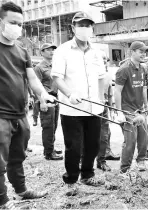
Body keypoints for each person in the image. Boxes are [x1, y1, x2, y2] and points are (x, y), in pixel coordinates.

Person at [0, 2, 55, 209]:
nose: (17, 27)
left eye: (20, 24)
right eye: (13, 22)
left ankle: (21, 191)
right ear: (0, 21)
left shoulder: (21, 49)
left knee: (17, 157)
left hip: (20, 114)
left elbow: (32, 79)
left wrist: (43, 94)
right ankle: (2, 202)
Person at [51, 12, 106, 196]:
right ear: (73, 28)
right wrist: (69, 93)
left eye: (88, 25)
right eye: (80, 25)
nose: (85, 28)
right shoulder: (63, 50)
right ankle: (71, 179)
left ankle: (87, 175)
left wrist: (104, 98)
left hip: (94, 108)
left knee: (93, 145)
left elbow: (101, 77)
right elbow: (57, 77)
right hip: (72, 108)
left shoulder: (97, 52)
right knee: (73, 146)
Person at [114, 41, 148, 173]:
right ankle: (124, 169)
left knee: (143, 137)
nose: (143, 54)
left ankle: (141, 161)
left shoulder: (143, 68)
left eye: (145, 51)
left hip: (140, 109)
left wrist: (146, 107)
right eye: (141, 51)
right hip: (127, 110)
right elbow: (117, 91)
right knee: (130, 140)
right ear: (132, 52)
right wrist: (119, 112)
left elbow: (143, 89)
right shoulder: (124, 69)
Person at [34, 43, 63, 160]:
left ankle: (51, 147)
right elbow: (36, 85)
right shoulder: (39, 68)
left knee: (54, 125)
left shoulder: (54, 66)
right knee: (48, 127)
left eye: (53, 50)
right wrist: (42, 102)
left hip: (55, 98)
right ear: (42, 52)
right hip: (46, 98)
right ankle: (48, 153)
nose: (52, 52)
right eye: (48, 50)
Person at [96, 54, 120, 172]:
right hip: (92, 107)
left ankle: (102, 160)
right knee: (90, 136)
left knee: (105, 135)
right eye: (102, 60)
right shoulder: (91, 74)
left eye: (105, 60)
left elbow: (110, 93)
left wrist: (112, 108)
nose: (104, 62)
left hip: (104, 107)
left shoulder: (108, 75)